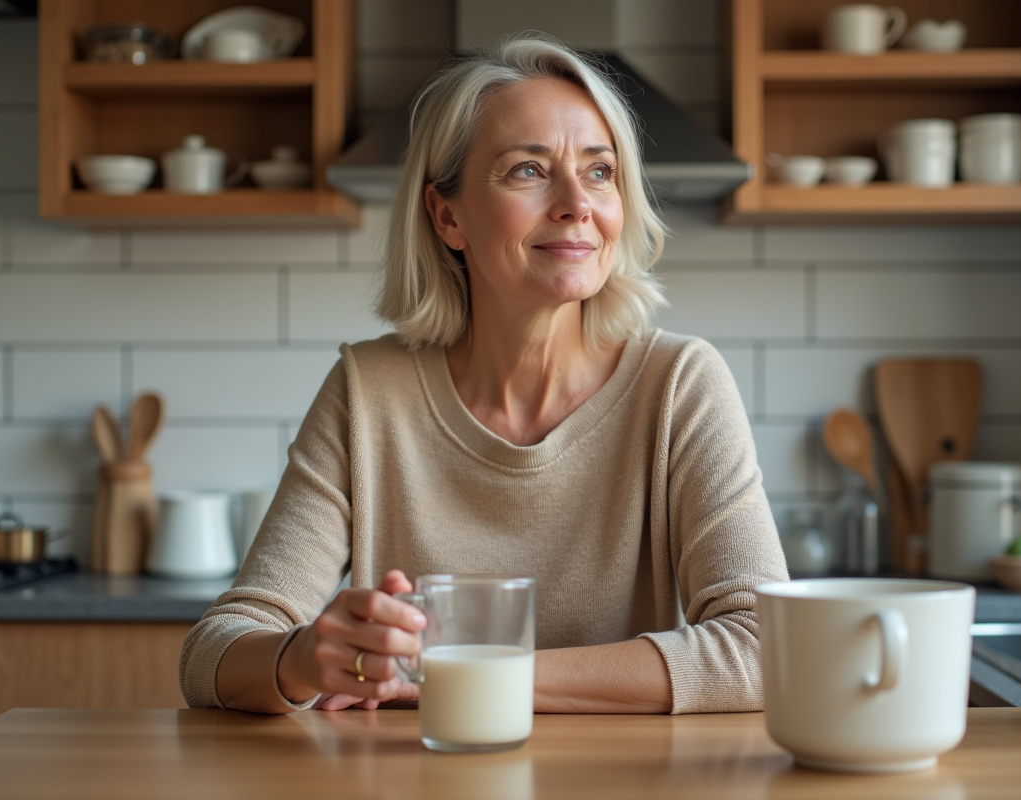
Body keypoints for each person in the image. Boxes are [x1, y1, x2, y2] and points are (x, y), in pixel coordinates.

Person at [179, 35, 787, 716]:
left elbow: (767, 648)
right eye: (528, 170)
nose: (577, 203)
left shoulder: (679, 385)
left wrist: (460, 673)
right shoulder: (369, 392)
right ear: (448, 216)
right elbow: (213, 653)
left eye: (600, 171)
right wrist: (300, 658)